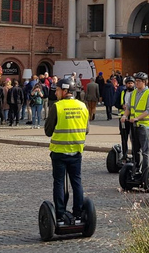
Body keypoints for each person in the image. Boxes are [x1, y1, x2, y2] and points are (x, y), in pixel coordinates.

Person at [44, 77, 89, 224]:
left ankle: (60, 214)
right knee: (76, 182)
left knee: (59, 182)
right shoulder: (83, 106)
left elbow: (48, 131)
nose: (56, 93)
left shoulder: (57, 107)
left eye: (57, 90)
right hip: (76, 151)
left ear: (65, 91)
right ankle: (78, 214)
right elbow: (86, 130)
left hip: (59, 151)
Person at [121, 72, 149, 177]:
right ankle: (136, 169)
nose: (136, 83)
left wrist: (137, 118)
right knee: (135, 150)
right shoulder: (133, 93)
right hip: (134, 126)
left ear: (145, 82)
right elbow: (129, 108)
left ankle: (146, 172)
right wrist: (125, 116)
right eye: (136, 81)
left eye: (139, 81)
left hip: (144, 126)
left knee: (145, 150)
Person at [115, 76, 135, 162]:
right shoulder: (122, 92)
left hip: (133, 118)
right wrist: (121, 106)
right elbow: (115, 103)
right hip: (123, 118)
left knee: (134, 138)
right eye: (128, 83)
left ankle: (135, 155)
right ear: (125, 84)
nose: (129, 85)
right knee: (124, 137)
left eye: (131, 83)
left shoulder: (136, 93)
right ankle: (124, 154)